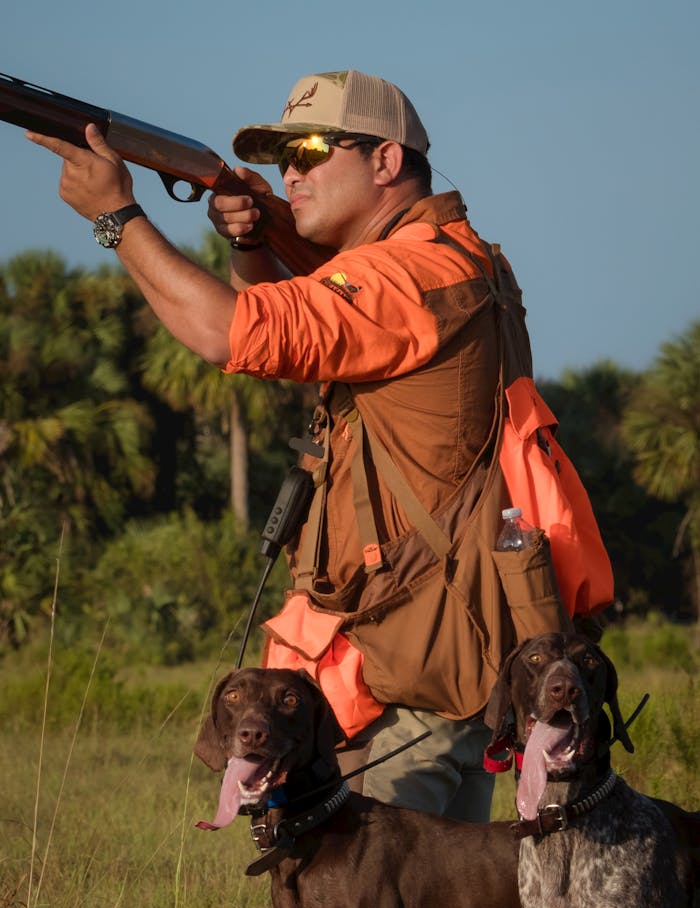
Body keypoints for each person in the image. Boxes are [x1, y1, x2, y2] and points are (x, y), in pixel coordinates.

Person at [29, 69, 516, 829]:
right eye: (282, 154)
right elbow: (289, 337)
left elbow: (230, 332)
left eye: (316, 149)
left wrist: (114, 216)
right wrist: (253, 239)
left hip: (402, 685)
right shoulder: (460, 255)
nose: (290, 172)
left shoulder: (406, 274)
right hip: (444, 660)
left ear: (386, 162)